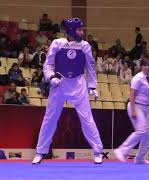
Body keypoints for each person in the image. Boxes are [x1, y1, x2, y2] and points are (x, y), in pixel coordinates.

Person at [32, 17, 104, 164]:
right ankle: (40, 151)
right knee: (50, 119)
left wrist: (93, 87)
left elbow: (90, 67)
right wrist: (51, 77)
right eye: (79, 29)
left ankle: (98, 151)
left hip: (78, 84)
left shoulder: (85, 46)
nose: (82, 32)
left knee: (87, 119)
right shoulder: (57, 43)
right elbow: (48, 65)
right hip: (59, 84)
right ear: (71, 31)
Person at [114, 57, 149, 164]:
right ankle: (121, 151)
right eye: (145, 65)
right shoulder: (137, 78)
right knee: (141, 130)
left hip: (146, 107)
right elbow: (132, 94)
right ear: (141, 67)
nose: (148, 67)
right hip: (135, 105)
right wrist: (133, 110)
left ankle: (140, 158)